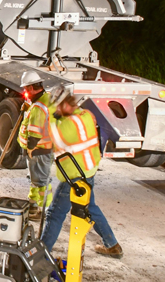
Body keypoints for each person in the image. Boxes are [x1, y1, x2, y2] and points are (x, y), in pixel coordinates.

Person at [38, 93, 123, 258]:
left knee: (55, 214)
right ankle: (112, 244)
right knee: (89, 208)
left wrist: (52, 116)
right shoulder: (86, 115)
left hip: (74, 176)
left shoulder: (67, 125)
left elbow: (51, 137)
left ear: (65, 106)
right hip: (88, 170)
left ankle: (41, 253)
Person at [16, 73, 65, 219]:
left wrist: (30, 148)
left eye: (26, 88)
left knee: (41, 182)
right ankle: (33, 204)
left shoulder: (38, 107)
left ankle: (44, 211)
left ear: (31, 87)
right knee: (35, 179)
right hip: (46, 147)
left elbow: (35, 132)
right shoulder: (46, 98)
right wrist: (28, 108)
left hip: (39, 149)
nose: (25, 91)